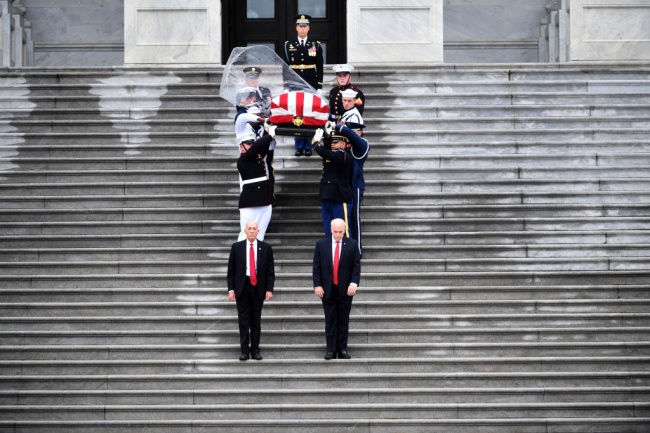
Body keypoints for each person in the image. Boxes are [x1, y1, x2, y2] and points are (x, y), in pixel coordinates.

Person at [313, 218, 361, 360]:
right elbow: (317, 266)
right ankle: (330, 349)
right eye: (335, 232)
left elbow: (356, 267)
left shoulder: (352, 244)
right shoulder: (321, 245)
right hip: (327, 289)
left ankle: (342, 349)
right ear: (331, 230)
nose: (338, 234)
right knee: (330, 319)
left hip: (345, 289)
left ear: (344, 230)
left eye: (340, 232)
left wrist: (354, 283)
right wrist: (317, 284)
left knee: (343, 319)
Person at [227, 221, 275, 361]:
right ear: (245, 231)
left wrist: (269, 289)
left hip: (258, 287)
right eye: (250, 229)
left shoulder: (266, 248)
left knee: (255, 320)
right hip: (242, 286)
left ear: (258, 231)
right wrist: (231, 289)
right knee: (243, 320)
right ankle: (244, 351)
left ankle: (255, 350)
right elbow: (231, 271)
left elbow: (270, 271)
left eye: (254, 229)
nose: (252, 231)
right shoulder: (237, 247)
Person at [330, 103, 369, 256]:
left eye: (353, 132)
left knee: (354, 220)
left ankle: (357, 251)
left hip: (355, 186)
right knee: (344, 220)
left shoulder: (363, 144)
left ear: (359, 132)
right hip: (344, 186)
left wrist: (341, 127)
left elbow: (354, 140)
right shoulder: (345, 145)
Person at [283, 14, 324, 157]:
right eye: (300, 26)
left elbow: (319, 66)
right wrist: (286, 84)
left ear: (308, 28)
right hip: (295, 83)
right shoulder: (289, 45)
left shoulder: (315, 45)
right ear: (296, 27)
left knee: (309, 113)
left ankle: (309, 145)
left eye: (305, 26)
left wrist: (319, 86)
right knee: (297, 113)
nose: (302, 29)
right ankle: (299, 145)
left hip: (311, 82)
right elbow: (286, 67)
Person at [235, 120, 276, 241]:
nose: (251, 145)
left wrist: (267, 131)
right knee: (245, 234)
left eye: (251, 143)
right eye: (248, 144)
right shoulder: (243, 160)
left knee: (260, 234)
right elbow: (258, 146)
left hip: (264, 199)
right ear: (241, 147)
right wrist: (269, 136)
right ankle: (241, 259)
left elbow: (262, 147)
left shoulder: (256, 157)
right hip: (251, 201)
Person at [312, 127, 353, 237]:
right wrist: (326, 137)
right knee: (329, 231)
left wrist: (315, 143)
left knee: (343, 231)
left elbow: (329, 154)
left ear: (344, 144)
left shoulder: (344, 155)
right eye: (332, 142)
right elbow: (327, 152)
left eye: (336, 142)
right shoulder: (332, 154)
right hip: (327, 196)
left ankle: (346, 253)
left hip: (340, 197)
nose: (333, 144)